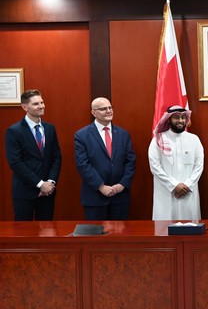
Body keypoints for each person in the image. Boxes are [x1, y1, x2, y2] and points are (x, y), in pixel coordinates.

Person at [74, 97, 136, 220]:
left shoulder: (123, 134)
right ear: (93, 112)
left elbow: (130, 161)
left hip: (120, 196)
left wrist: (123, 184)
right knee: (96, 232)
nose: (108, 111)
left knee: (120, 232)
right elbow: (83, 164)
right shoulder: (82, 135)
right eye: (103, 109)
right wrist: (101, 186)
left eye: (110, 108)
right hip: (95, 197)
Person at [5, 89, 62, 221]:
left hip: (48, 192)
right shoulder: (14, 131)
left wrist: (50, 182)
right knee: (23, 231)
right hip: (25, 191)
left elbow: (56, 157)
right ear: (25, 107)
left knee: (47, 229)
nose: (41, 106)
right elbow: (15, 163)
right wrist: (40, 184)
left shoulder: (50, 128)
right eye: (36, 104)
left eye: (42, 102)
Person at [148, 106, 204, 220]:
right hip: (166, 194)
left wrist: (187, 185)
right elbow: (155, 167)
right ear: (168, 119)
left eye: (183, 117)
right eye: (176, 117)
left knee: (190, 227)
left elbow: (199, 166)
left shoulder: (194, 139)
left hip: (188, 193)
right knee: (165, 228)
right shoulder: (158, 139)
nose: (180, 120)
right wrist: (174, 185)